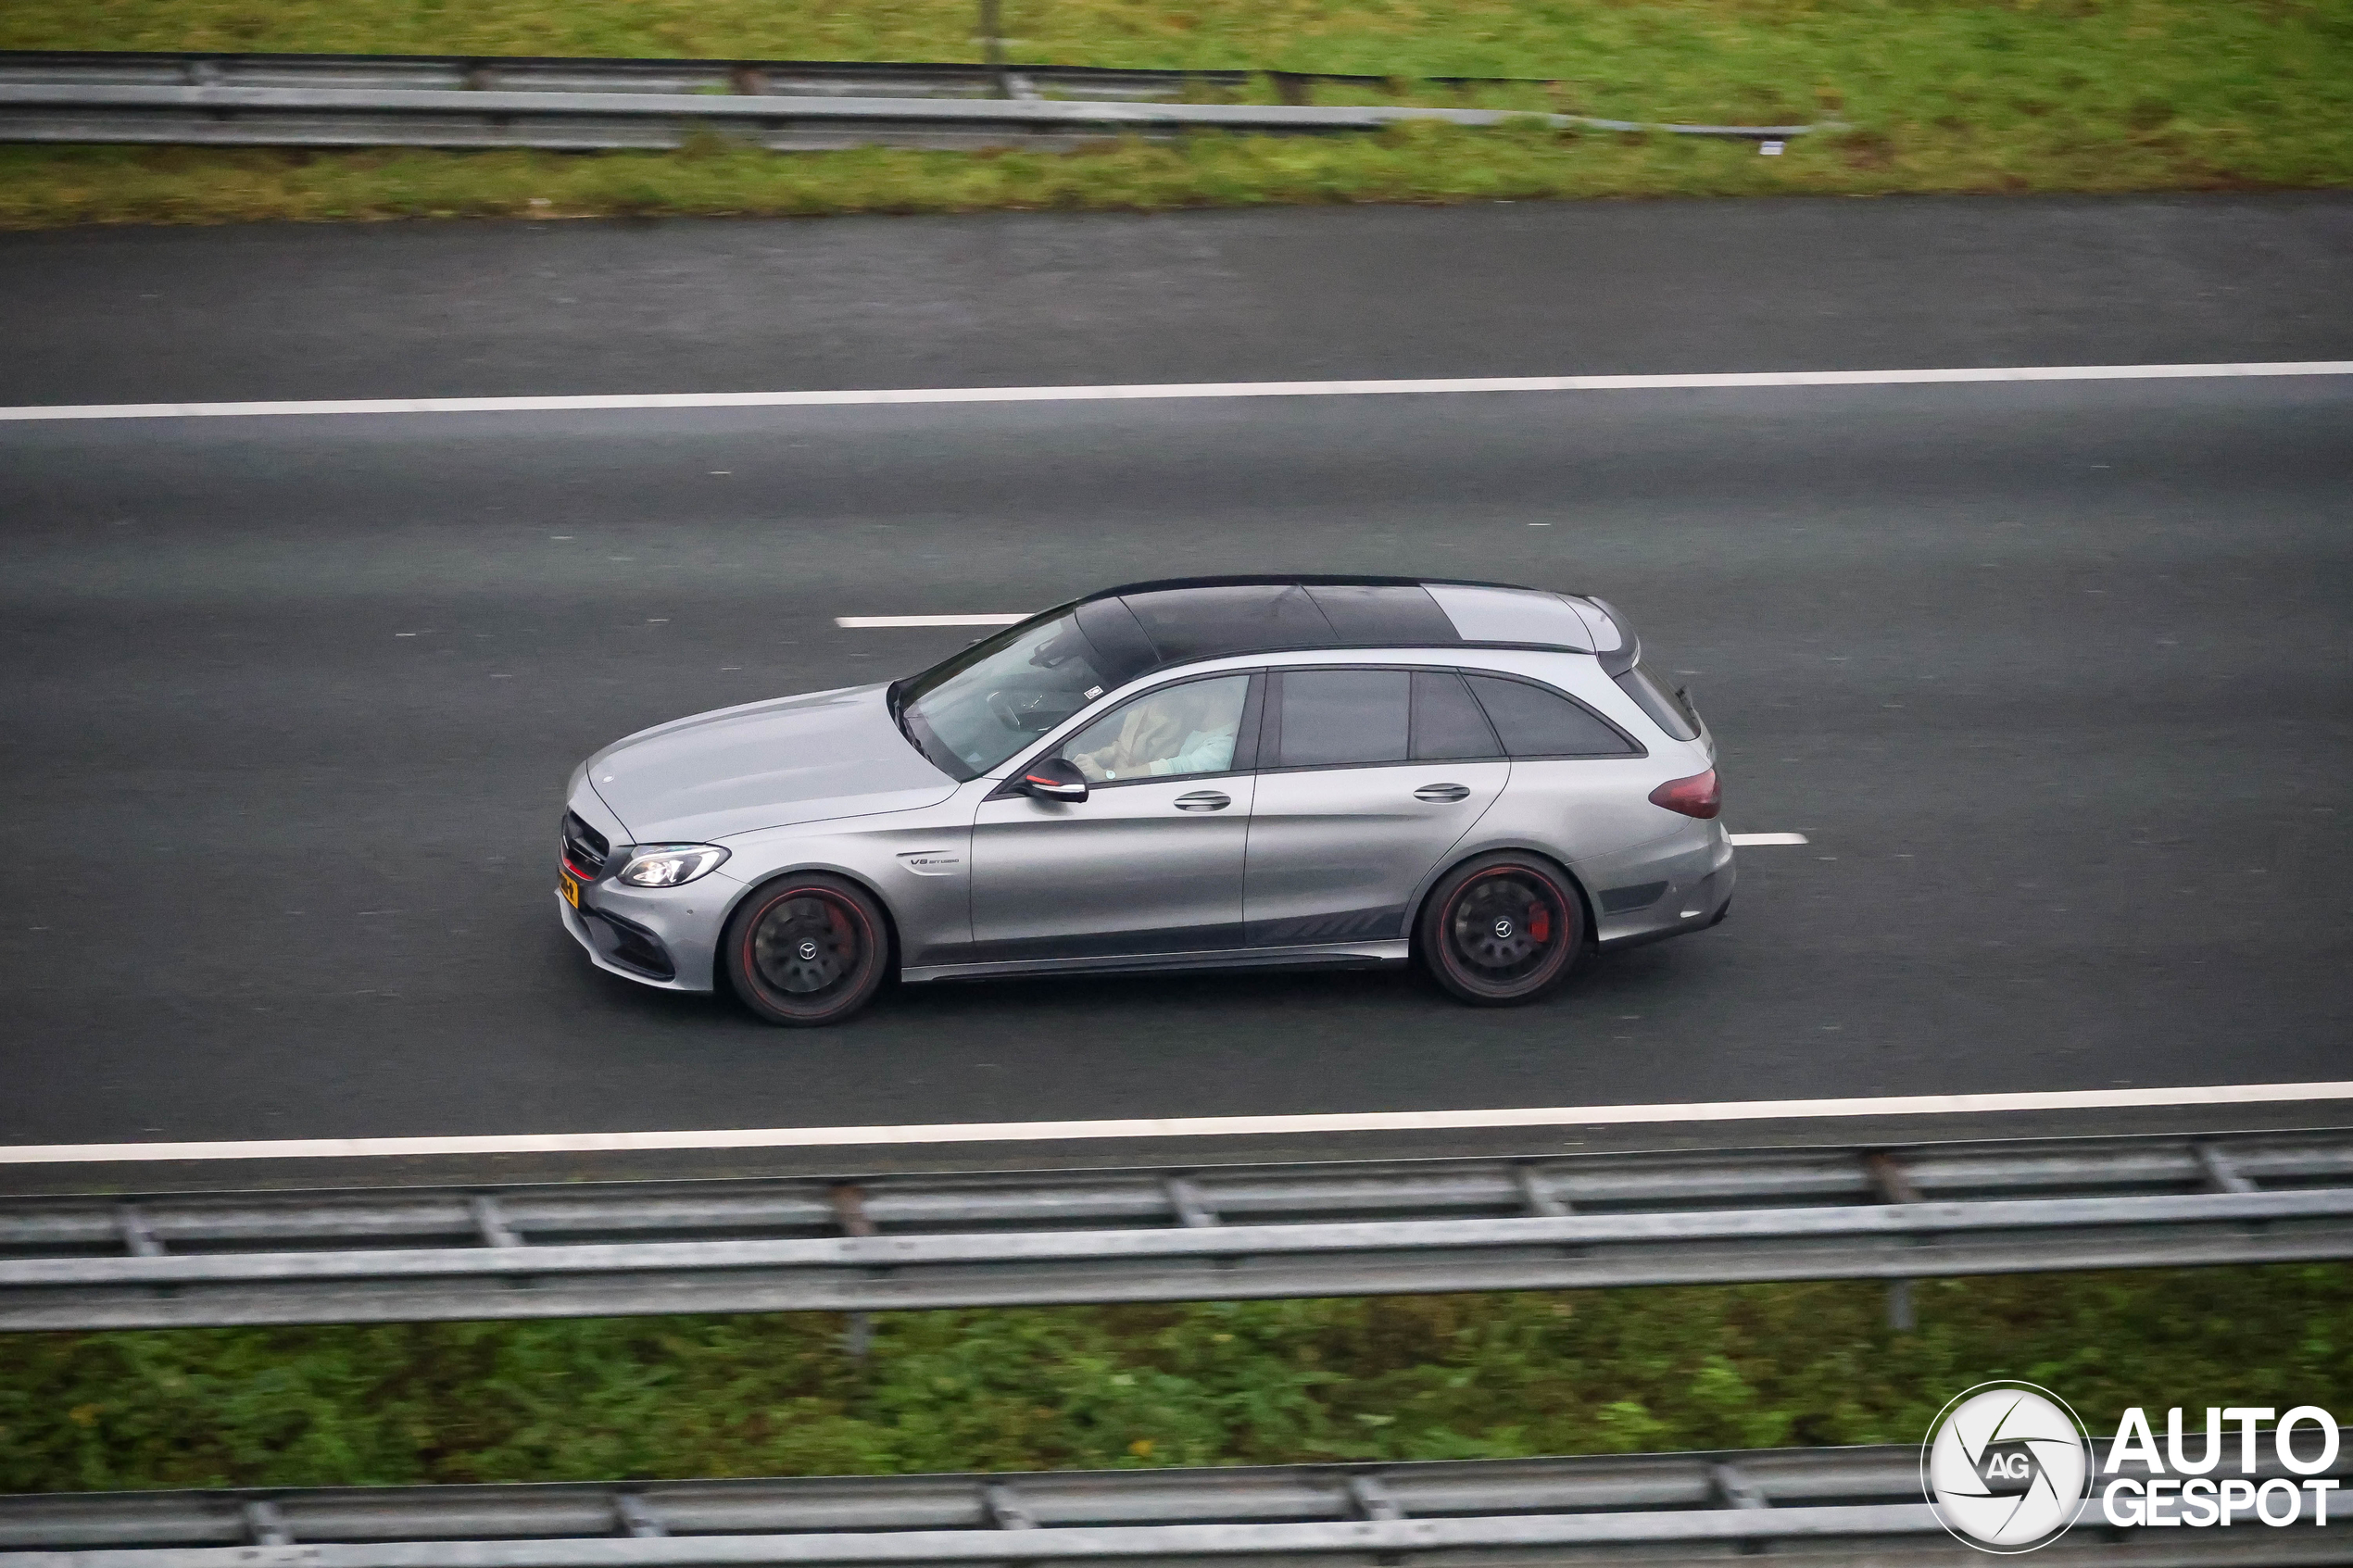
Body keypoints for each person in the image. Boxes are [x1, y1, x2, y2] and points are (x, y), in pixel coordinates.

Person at [1067, 681, 1239, 782]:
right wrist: (1102, 755)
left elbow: (1171, 767)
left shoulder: (1223, 746)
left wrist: (1107, 775)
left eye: (1196, 693)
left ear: (1217, 699)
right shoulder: (1200, 728)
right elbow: (1126, 745)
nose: (1186, 698)